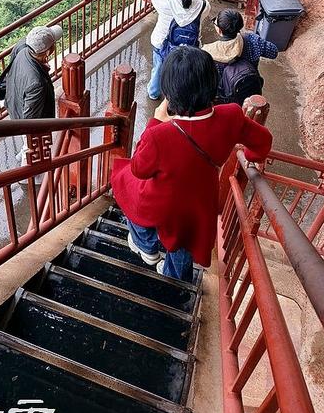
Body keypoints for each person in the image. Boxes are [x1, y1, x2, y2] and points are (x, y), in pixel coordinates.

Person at [111, 47, 272, 281]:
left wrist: (156, 121)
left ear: (169, 93)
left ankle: (146, 246)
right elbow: (263, 140)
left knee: (123, 179)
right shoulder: (232, 115)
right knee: (185, 238)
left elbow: (139, 168)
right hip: (200, 199)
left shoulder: (159, 135)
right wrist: (251, 156)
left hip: (163, 201)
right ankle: (175, 279)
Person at [147, 0, 210, 100]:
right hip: (189, 49)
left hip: (162, 44)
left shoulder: (165, 2)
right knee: (182, 73)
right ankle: (174, 96)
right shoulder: (203, 7)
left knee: (158, 69)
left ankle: (154, 92)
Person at [5, 24, 63, 168]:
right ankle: (26, 173)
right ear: (47, 52)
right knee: (31, 145)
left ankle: (22, 152)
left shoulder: (22, 46)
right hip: (24, 119)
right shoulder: (36, 83)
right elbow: (30, 121)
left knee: (26, 139)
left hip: (14, 103)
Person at [203, 9, 278, 106]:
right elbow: (273, 52)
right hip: (249, 88)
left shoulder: (207, 52)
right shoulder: (252, 40)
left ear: (219, 30)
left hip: (224, 98)